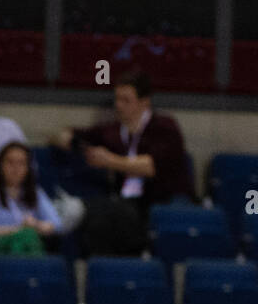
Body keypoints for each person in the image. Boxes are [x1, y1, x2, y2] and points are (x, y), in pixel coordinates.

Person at [61, 71, 192, 256]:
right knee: (104, 218)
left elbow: (150, 166)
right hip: (126, 203)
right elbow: (66, 135)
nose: (118, 105)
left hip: (163, 199)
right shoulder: (112, 131)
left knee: (113, 213)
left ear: (144, 102)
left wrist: (110, 161)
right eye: (117, 99)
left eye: (126, 100)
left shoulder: (165, 126)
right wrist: (74, 143)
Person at [0, 141, 62, 265]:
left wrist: (36, 224)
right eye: (10, 162)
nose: (16, 168)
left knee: (29, 238)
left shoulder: (35, 192)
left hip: (25, 245)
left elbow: (56, 224)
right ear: (0, 165)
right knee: (27, 236)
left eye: (21, 163)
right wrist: (21, 229)